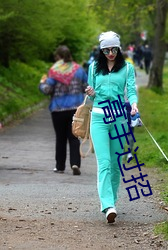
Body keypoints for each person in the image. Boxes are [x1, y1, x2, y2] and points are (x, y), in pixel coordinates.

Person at [85, 31, 138, 223]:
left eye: (114, 49)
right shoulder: (93, 68)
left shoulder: (127, 68)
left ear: (119, 48)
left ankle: (113, 201)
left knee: (116, 164)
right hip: (98, 118)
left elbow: (131, 90)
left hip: (119, 119)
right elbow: (91, 97)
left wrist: (133, 104)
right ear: (101, 50)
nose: (110, 53)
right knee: (105, 163)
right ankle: (107, 205)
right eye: (106, 50)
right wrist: (90, 92)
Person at [39, 45, 88, 175]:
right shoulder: (79, 70)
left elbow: (47, 90)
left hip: (58, 109)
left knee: (60, 138)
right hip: (75, 109)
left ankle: (60, 166)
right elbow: (86, 87)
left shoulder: (54, 71)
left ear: (58, 57)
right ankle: (75, 163)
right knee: (74, 137)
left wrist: (42, 83)